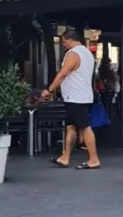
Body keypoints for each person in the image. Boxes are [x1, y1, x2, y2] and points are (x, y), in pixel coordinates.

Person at [41, 30, 101, 170]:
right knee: (70, 127)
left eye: (64, 42)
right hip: (78, 96)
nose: (64, 45)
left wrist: (49, 90)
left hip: (76, 97)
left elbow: (63, 74)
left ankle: (94, 159)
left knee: (85, 127)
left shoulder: (73, 54)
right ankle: (65, 157)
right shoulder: (87, 54)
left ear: (69, 40)